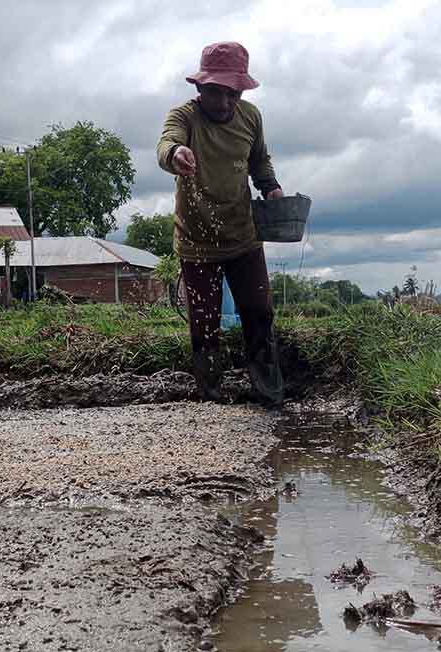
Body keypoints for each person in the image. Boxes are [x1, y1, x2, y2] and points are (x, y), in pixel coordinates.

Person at [157, 41, 284, 405]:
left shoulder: (251, 117)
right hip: (197, 239)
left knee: (259, 312)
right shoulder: (184, 116)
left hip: (243, 235)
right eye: (216, 93)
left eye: (233, 93)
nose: (225, 102)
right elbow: (166, 143)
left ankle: (268, 390)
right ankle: (212, 396)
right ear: (200, 87)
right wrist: (176, 153)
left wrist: (271, 188)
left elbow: (259, 161)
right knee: (205, 321)